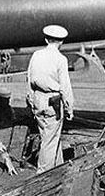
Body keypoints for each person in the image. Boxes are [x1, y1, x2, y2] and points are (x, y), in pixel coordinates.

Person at [26, 24, 74, 174]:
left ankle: (59, 168)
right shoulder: (61, 59)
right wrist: (69, 108)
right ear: (61, 42)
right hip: (53, 101)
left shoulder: (36, 55)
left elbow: (29, 78)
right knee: (49, 140)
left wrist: (31, 100)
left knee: (50, 136)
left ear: (46, 40)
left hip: (38, 99)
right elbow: (65, 87)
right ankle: (43, 173)